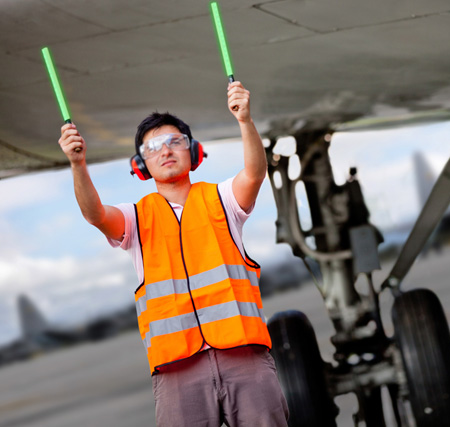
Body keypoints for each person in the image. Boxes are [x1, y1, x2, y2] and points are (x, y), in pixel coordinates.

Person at [58, 81, 289, 427]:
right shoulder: (136, 218)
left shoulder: (222, 199)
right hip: (178, 370)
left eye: (174, 142)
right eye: (153, 147)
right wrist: (78, 165)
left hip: (244, 356)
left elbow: (255, 173)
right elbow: (95, 214)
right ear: (141, 165)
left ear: (192, 152)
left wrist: (245, 122)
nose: (165, 151)